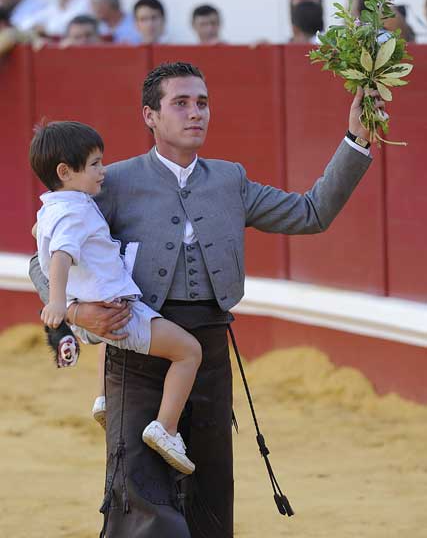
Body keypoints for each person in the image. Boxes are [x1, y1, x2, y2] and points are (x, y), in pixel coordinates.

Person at [29, 61, 383, 537]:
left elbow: (311, 212)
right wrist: (74, 311)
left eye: (202, 102)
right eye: (181, 103)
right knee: (140, 493)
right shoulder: (110, 183)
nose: (196, 113)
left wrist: (355, 140)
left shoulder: (229, 180)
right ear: (150, 116)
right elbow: (44, 257)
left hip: (210, 350)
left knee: (210, 489)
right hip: (137, 350)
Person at [29, 120, 201, 475]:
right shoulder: (75, 212)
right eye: (94, 164)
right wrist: (58, 303)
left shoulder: (52, 208)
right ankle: (166, 427)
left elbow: (42, 235)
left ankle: (103, 398)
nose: (102, 171)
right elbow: (61, 254)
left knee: (109, 340)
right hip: (116, 312)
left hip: (95, 317)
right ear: (65, 171)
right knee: (188, 352)